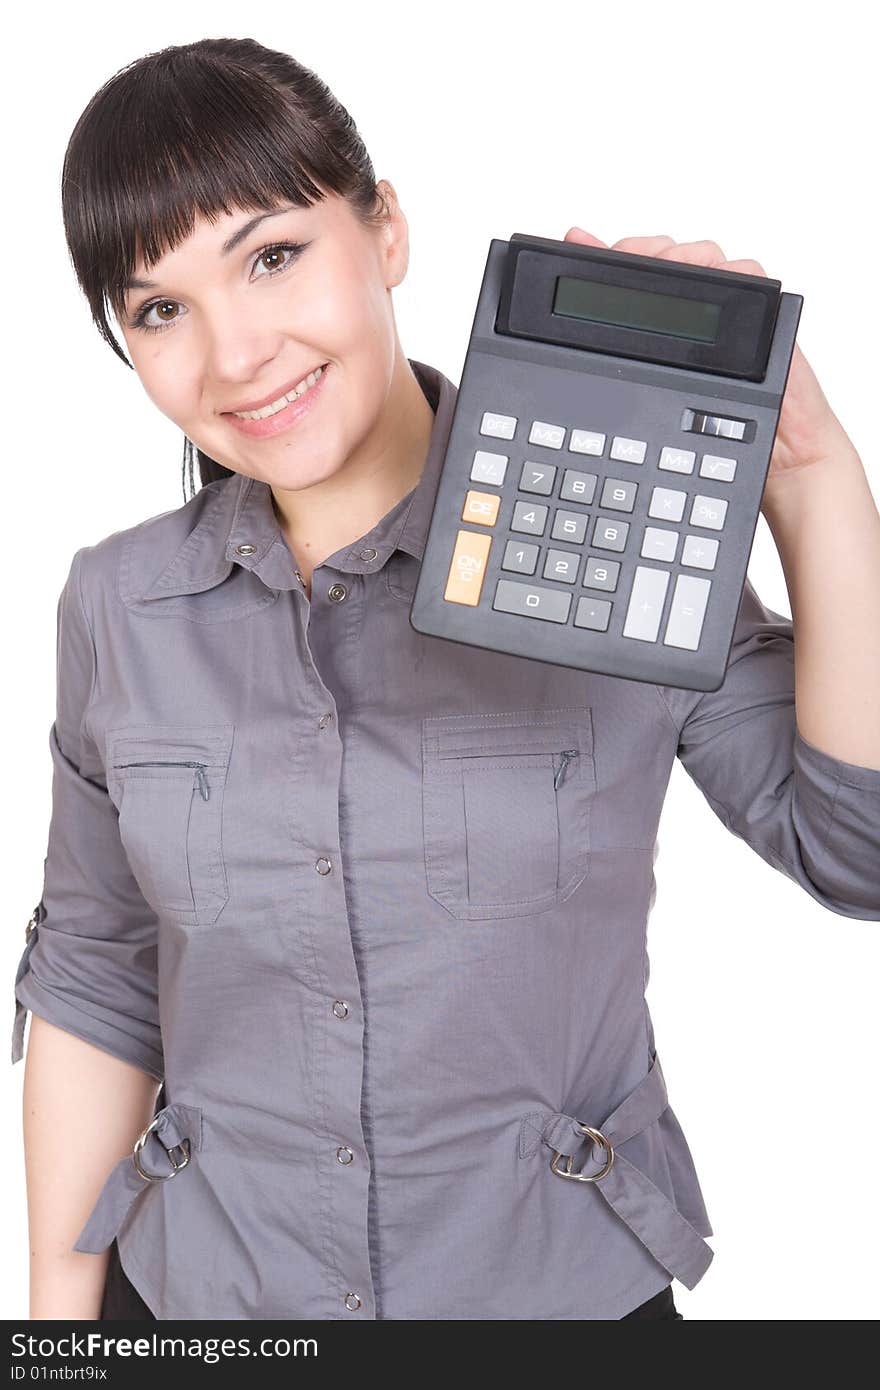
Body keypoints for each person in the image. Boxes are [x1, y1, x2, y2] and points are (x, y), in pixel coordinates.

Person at [12, 36, 880, 1323]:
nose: (236, 353)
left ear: (388, 231)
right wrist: (58, 1338)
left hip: (553, 1296)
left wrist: (812, 486)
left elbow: (855, 852)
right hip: (204, 1302)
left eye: (271, 256)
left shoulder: (612, 543)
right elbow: (95, 972)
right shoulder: (118, 604)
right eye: (160, 309)